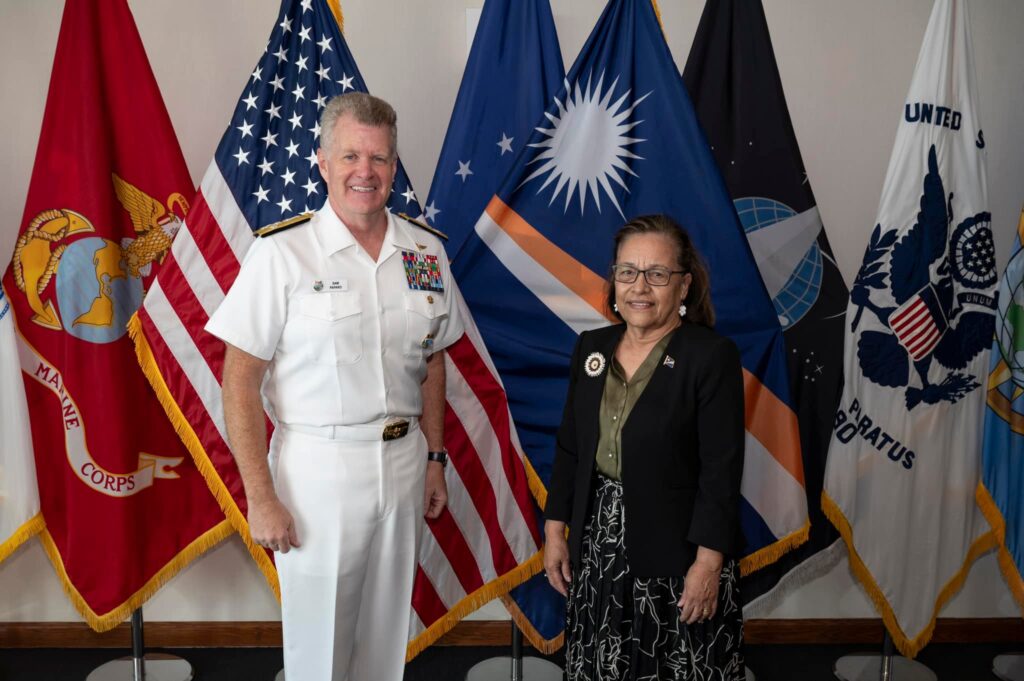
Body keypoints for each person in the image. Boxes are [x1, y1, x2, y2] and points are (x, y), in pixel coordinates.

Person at [205, 92, 463, 681]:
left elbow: (434, 360)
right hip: (317, 472)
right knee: (320, 650)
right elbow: (239, 380)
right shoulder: (283, 254)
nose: (364, 172)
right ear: (321, 161)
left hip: (402, 464)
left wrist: (434, 458)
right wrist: (260, 496)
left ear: (395, 166)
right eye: (350, 156)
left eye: (378, 158)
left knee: (384, 642)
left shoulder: (424, 252)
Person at [543, 214, 746, 680]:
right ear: (613, 280)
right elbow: (570, 448)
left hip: (680, 554)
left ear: (684, 286)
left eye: (657, 274)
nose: (640, 287)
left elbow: (721, 469)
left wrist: (708, 563)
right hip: (599, 548)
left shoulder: (710, 356)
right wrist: (556, 531)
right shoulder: (590, 348)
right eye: (627, 272)